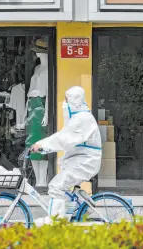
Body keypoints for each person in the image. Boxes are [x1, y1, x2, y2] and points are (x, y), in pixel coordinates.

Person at [30, 86, 102, 225]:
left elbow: (63, 139)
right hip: (83, 161)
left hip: (85, 163)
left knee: (56, 186)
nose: (64, 103)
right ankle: (84, 206)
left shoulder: (82, 119)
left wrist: (41, 146)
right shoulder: (80, 117)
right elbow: (64, 137)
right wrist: (42, 146)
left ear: (73, 101)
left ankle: (55, 221)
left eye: (66, 100)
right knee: (65, 187)